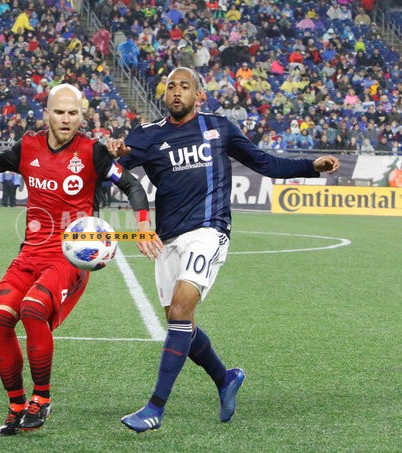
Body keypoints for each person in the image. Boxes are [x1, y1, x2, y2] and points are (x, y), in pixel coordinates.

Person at [107, 67, 340, 433]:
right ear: (164, 95)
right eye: (171, 87)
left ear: (199, 95)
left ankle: (155, 408)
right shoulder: (147, 135)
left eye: (185, 86)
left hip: (209, 230)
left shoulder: (220, 128)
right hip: (168, 239)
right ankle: (225, 378)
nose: (177, 92)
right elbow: (112, 170)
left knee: (180, 309)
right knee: (181, 324)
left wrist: (311, 166)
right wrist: (115, 152)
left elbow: (265, 162)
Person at [0, 84, 158, 436]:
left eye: (73, 113)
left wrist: (143, 225)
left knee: (32, 309)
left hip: (70, 255)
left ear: (82, 116)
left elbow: (132, 185)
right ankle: (16, 405)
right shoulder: (28, 146)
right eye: (59, 112)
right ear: (47, 114)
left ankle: (41, 399)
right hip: (30, 252)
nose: (66, 119)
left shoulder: (92, 152)